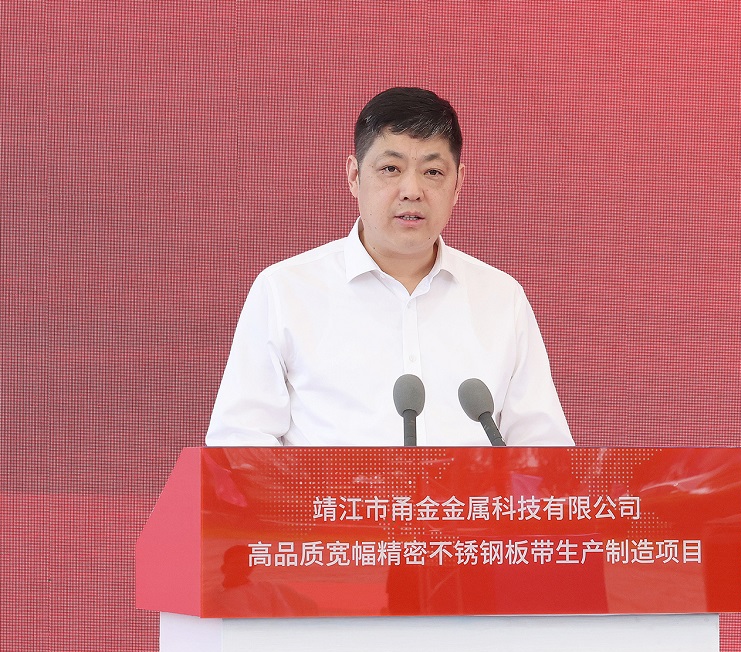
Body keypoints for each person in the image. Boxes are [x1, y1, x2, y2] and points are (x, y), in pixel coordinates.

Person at [206, 87, 573, 447]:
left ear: (458, 183)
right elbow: (239, 443)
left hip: (469, 492)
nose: (412, 190)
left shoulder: (501, 298)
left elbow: (543, 450)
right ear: (354, 176)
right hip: (330, 491)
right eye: (391, 168)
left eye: (433, 172)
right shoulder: (285, 291)